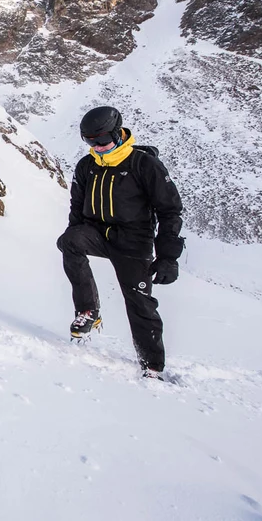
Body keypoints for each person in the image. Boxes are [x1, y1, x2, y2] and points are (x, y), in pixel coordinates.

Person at [56, 106, 184, 380]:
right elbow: (76, 207)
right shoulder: (87, 166)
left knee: (139, 302)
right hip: (97, 233)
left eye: (102, 140)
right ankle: (88, 311)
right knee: (69, 241)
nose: (98, 147)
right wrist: (73, 234)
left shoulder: (143, 165)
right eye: (90, 141)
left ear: (117, 133)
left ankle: (152, 367)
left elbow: (170, 210)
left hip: (133, 242)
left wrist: (167, 257)